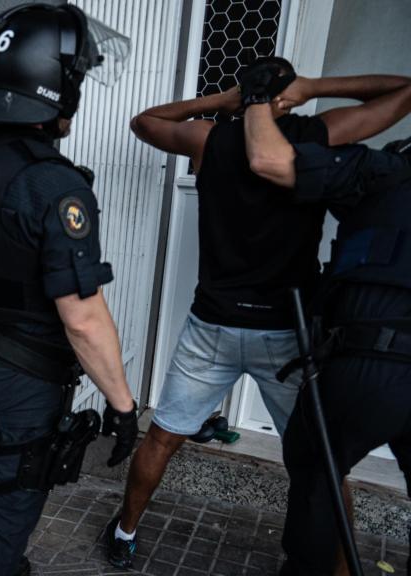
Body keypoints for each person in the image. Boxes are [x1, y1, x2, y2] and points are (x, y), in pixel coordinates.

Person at [106, 59, 411, 568]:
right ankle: (341, 570)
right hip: (287, 333)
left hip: (213, 325)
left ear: (243, 92)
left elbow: (145, 121)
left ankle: (125, 531)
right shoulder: (316, 136)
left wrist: (221, 101)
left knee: (162, 435)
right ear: (286, 96)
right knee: (322, 465)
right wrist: (314, 88)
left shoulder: (209, 139)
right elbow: (402, 92)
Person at [0, 5, 139, 575]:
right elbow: (83, 318)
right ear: (53, 87)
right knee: (9, 498)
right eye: (76, 78)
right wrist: (122, 406)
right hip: (19, 380)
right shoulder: (52, 184)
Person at [243, 96, 411, 575]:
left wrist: (258, 100)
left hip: (372, 362)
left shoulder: (388, 172)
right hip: (374, 358)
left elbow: (267, 158)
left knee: (316, 472)